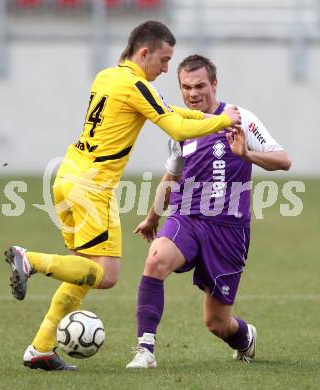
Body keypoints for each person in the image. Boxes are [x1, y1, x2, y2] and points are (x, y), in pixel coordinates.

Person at [4, 23, 241, 371]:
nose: (165, 68)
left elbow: (174, 113)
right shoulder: (135, 85)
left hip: (68, 176)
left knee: (83, 270)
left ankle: (40, 346)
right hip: (92, 187)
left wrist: (212, 116)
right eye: (163, 59)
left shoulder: (108, 76)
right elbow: (176, 128)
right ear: (144, 53)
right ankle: (31, 260)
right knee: (108, 274)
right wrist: (220, 123)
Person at [126, 54, 291, 369]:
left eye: (200, 85)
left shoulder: (239, 117)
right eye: (186, 87)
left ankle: (245, 338)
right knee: (156, 258)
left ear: (214, 83)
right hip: (187, 217)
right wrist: (152, 217)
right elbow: (172, 175)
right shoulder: (180, 125)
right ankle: (145, 350)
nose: (193, 93)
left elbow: (283, 160)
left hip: (229, 230)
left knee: (216, 322)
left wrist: (248, 155)